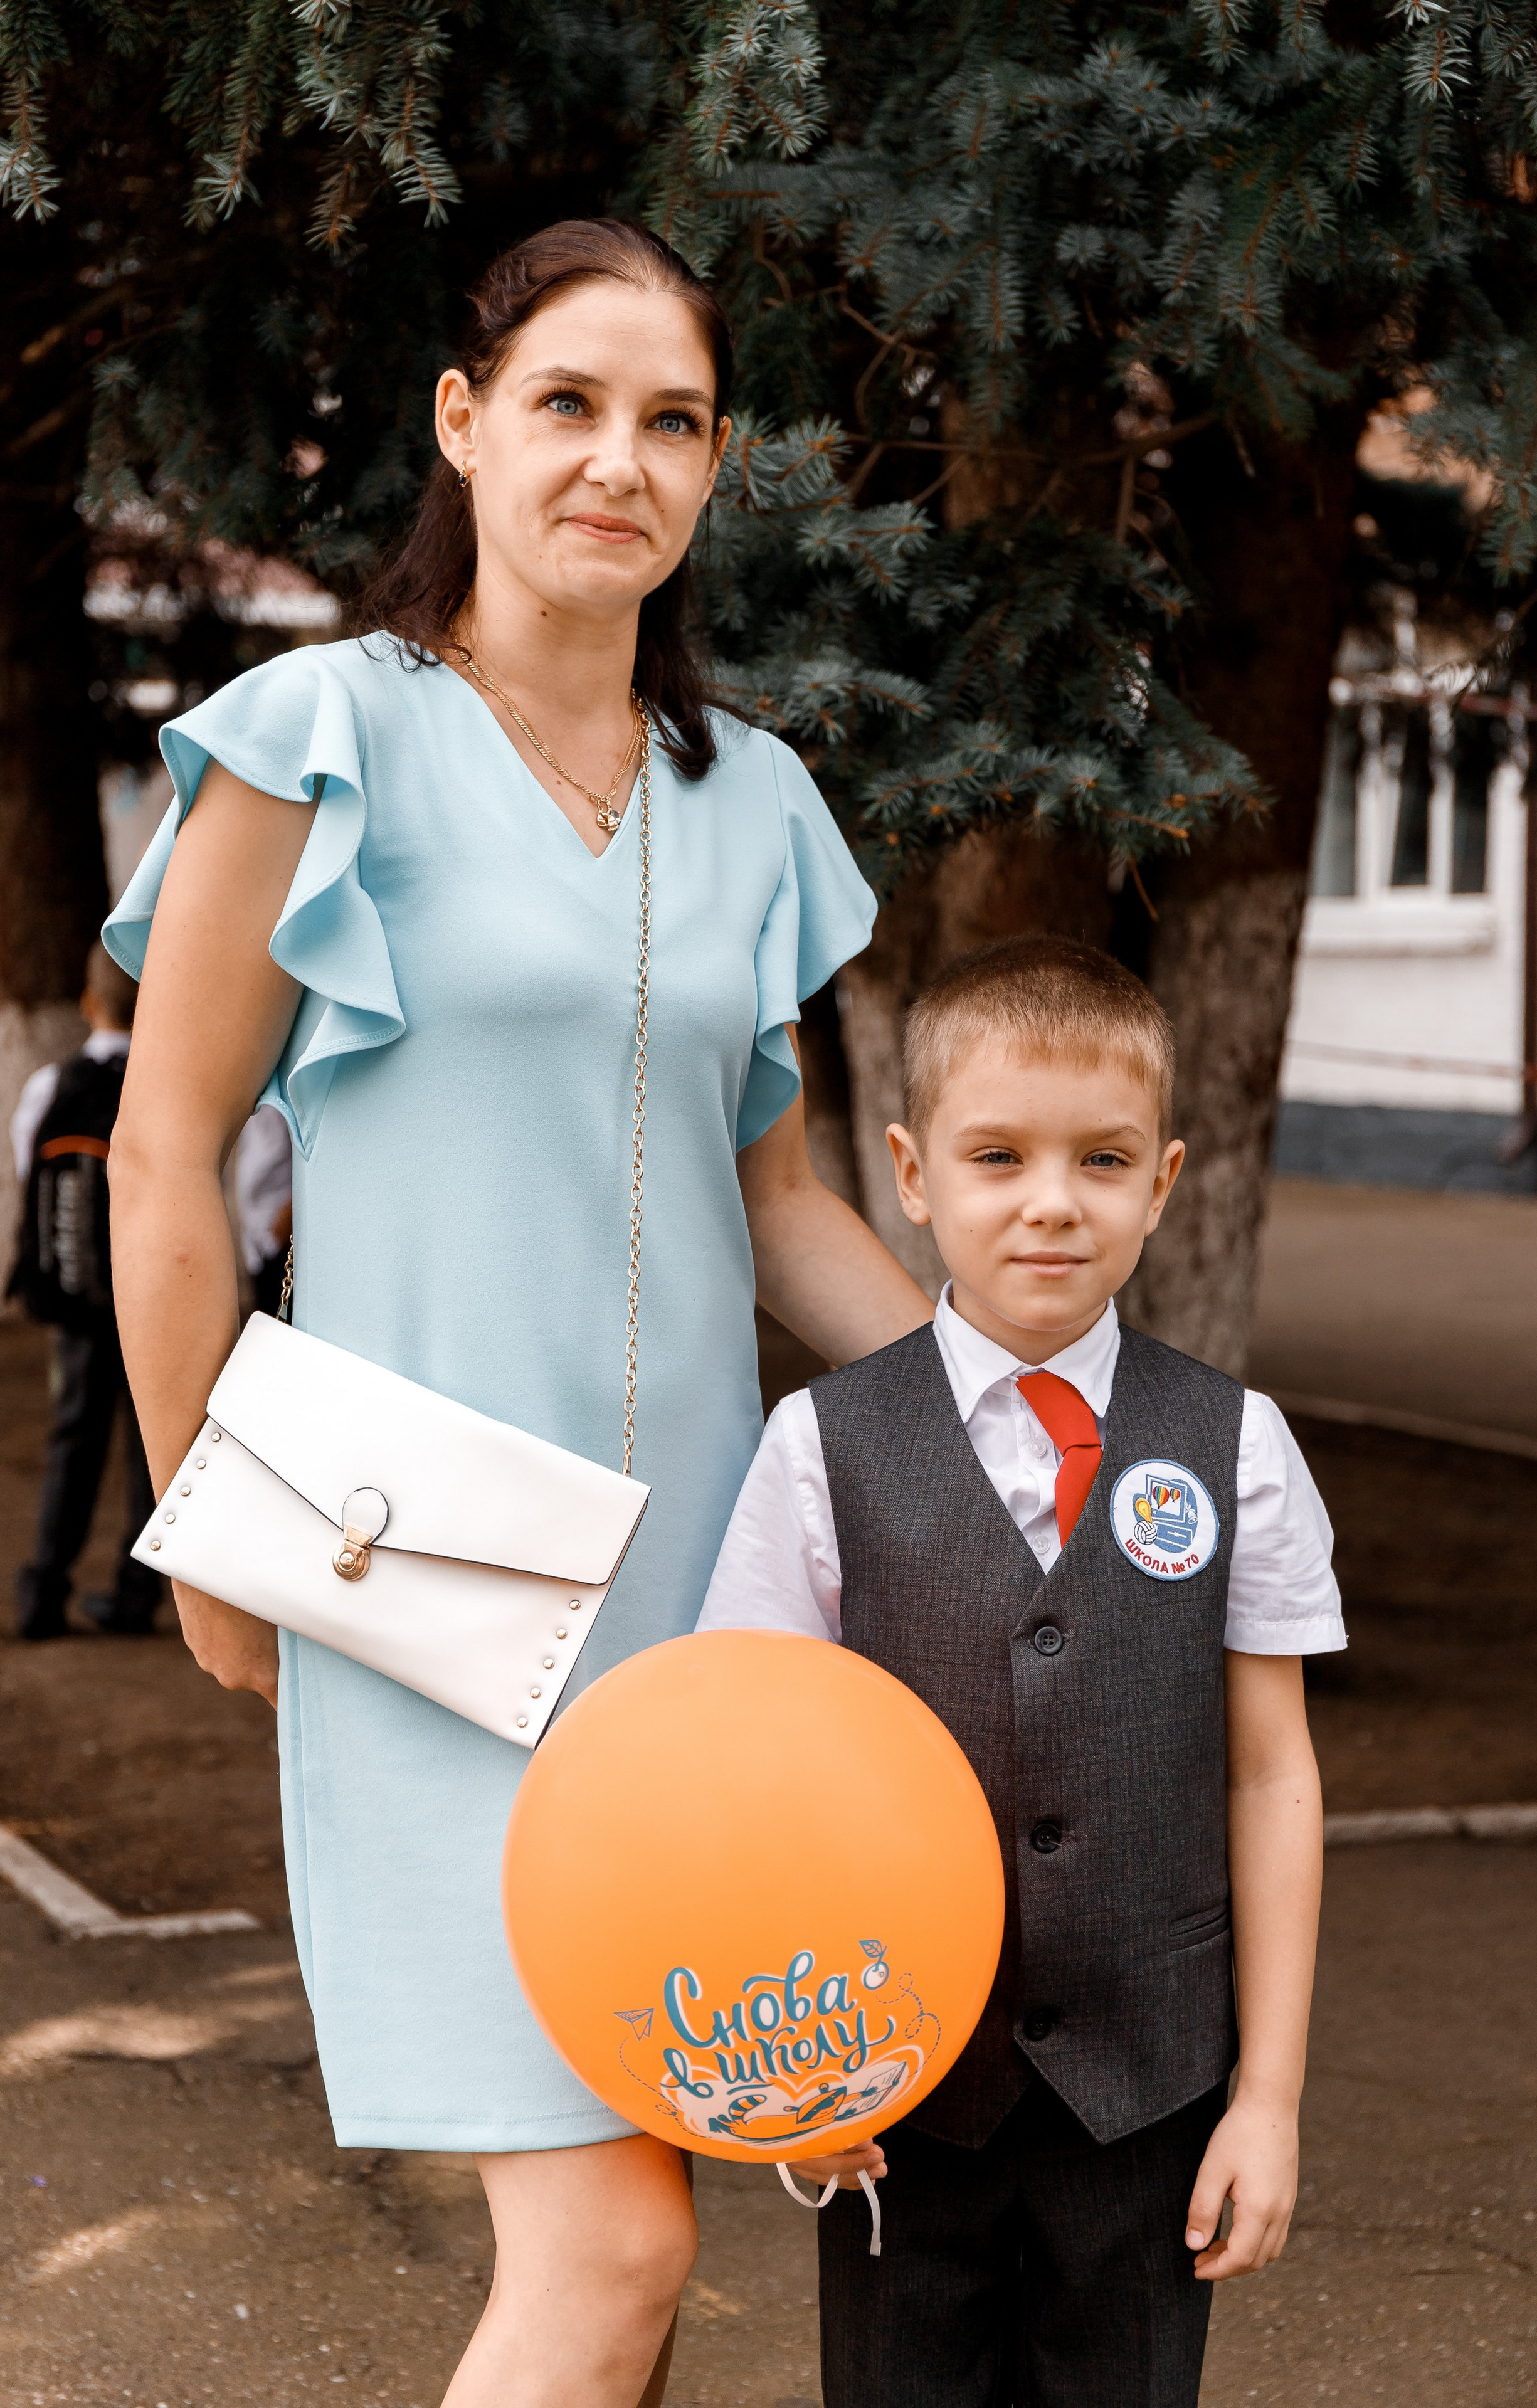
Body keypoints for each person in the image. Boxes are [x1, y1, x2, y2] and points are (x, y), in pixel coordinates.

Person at [102, 218, 929, 2408]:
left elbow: (778, 1203)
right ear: (465, 428)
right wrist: (208, 1518)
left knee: (652, 2197)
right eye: (567, 404)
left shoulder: (750, 804)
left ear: (717, 468)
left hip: (715, 1598)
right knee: (611, 2246)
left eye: (671, 423)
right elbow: (169, 1154)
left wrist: (1029, 1394)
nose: (615, 464)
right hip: (425, 1587)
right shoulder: (317, 740)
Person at [698, 934, 1346, 2408]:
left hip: (1149, 2106)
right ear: (913, 1176)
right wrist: (786, 2075)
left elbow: (1269, 1771)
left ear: (1162, 1183)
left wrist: (1267, 2097)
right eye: (996, 1155)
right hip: (895, 2098)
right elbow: (750, 1771)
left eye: (1101, 1159)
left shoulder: (1232, 1445)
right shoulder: (822, 1443)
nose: (1051, 1201)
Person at [10, 941, 164, 1640]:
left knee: (74, 1433)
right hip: (154, 1295)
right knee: (148, 1441)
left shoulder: (52, 1084)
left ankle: (45, 1590)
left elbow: (27, 1171)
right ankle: (136, 1596)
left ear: (87, 1002)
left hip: (77, 1297)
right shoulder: (168, 1079)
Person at [235, 1101, 293, 1316]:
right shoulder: (248, 1109)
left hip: (282, 1239)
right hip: (257, 1243)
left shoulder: (284, 1102)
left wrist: (283, 1227)